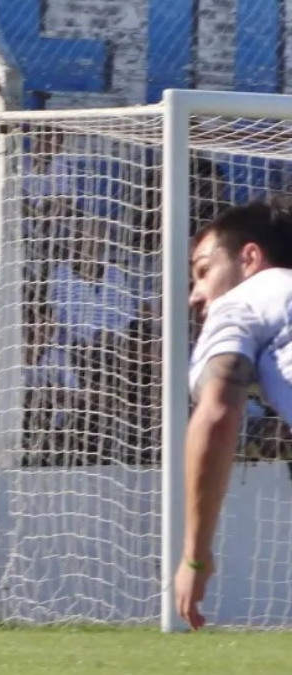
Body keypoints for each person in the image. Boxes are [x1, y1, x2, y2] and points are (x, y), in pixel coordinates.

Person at [175, 198, 292, 631]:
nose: (195, 295)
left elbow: (218, 412)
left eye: (204, 271)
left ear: (250, 258)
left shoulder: (243, 300)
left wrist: (195, 554)